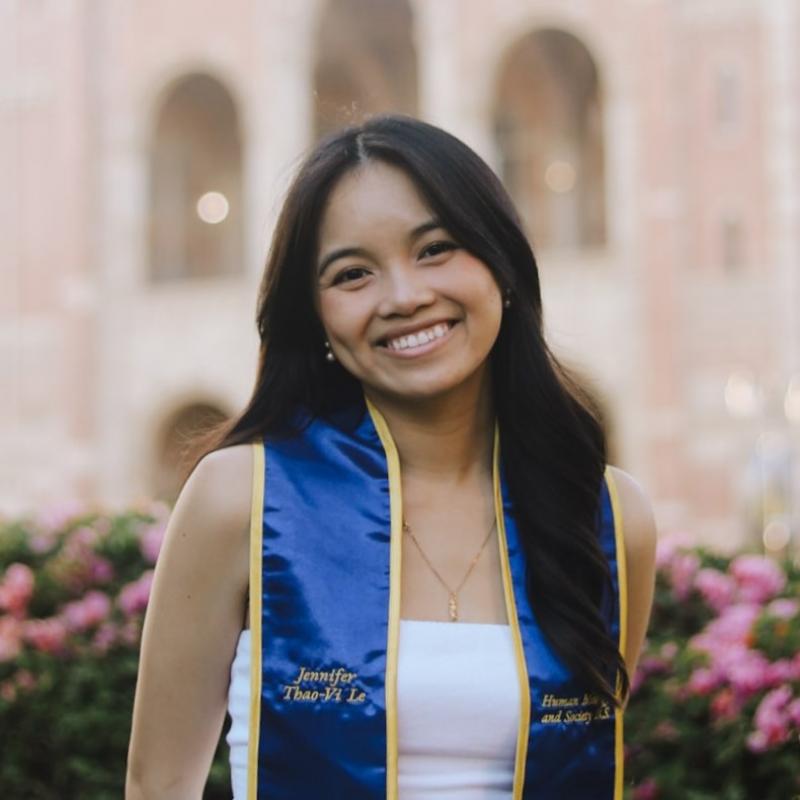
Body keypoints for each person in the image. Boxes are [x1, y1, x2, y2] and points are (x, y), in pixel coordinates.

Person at [125, 114, 657, 800]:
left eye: (435, 249)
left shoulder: (609, 516)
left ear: (502, 264)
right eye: (353, 274)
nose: (404, 297)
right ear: (313, 314)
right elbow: (157, 785)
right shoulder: (243, 499)